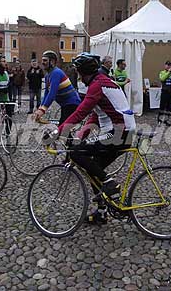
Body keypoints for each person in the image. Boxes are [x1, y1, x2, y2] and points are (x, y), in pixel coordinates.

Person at [56, 52, 136, 224]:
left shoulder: (97, 85)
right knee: (94, 169)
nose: (77, 76)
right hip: (123, 131)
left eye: (78, 72)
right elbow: (95, 115)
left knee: (76, 153)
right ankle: (101, 212)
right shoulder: (102, 81)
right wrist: (80, 135)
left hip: (118, 132)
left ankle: (110, 183)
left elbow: (81, 111)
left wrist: (58, 131)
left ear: (84, 72)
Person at [34, 50, 81, 125]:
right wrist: (40, 108)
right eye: (42, 60)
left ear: (52, 61)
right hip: (65, 104)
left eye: (45, 60)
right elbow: (46, 93)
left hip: (72, 104)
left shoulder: (56, 73)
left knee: (63, 129)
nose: (42, 63)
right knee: (63, 129)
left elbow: (52, 93)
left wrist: (43, 110)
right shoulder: (47, 75)